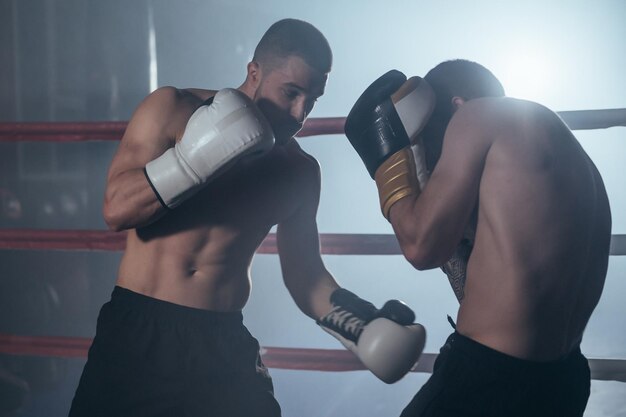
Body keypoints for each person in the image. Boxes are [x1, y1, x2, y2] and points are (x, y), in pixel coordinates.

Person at [69, 19, 425, 417]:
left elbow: (306, 277)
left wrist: (363, 325)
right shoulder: (172, 108)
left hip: (222, 344)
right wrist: (193, 160)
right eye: (291, 92)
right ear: (254, 72)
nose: (300, 113)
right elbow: (116, 209)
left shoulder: (299, 172)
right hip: (140, 332)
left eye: (313, 99)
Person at [344, 60, 611, 417]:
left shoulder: (475, 116)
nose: (436, 158)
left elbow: (419, 245)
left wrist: (390, 163)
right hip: (565, 383)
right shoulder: (572, 163)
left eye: (428, 137)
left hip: (488, 381)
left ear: (455, 105)